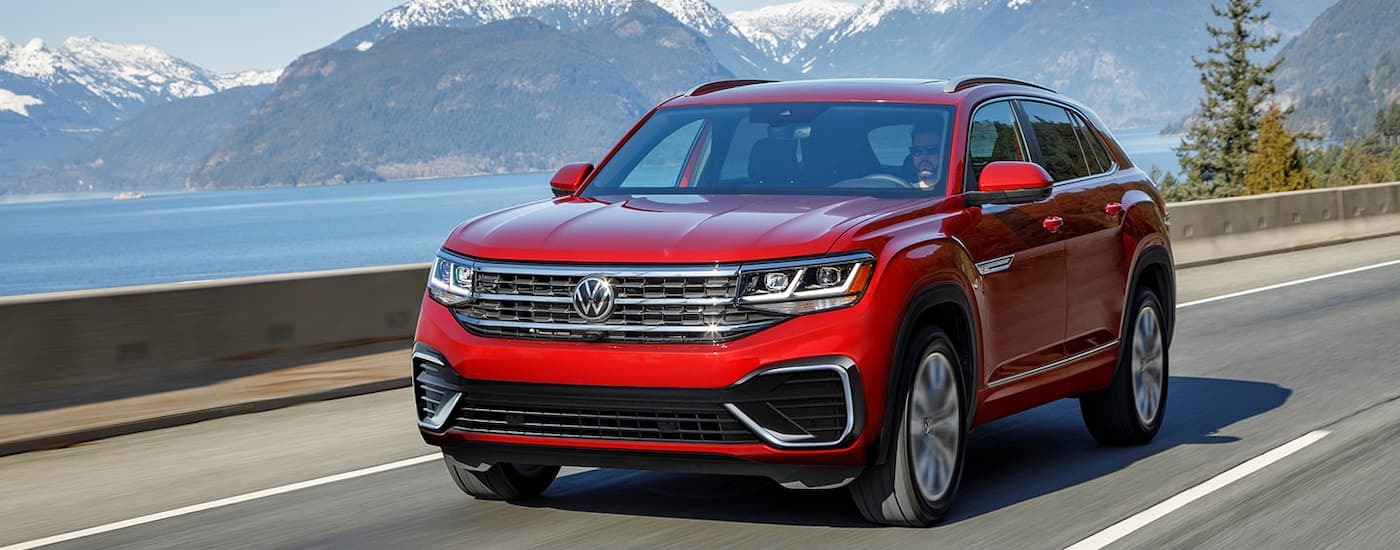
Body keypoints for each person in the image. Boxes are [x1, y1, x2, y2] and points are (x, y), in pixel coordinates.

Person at [906, 127, 944, 192]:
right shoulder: (902, 190)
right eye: (917, 150)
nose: (924, 157)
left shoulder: (954, 191)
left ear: (944, 152)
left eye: (931, 150)